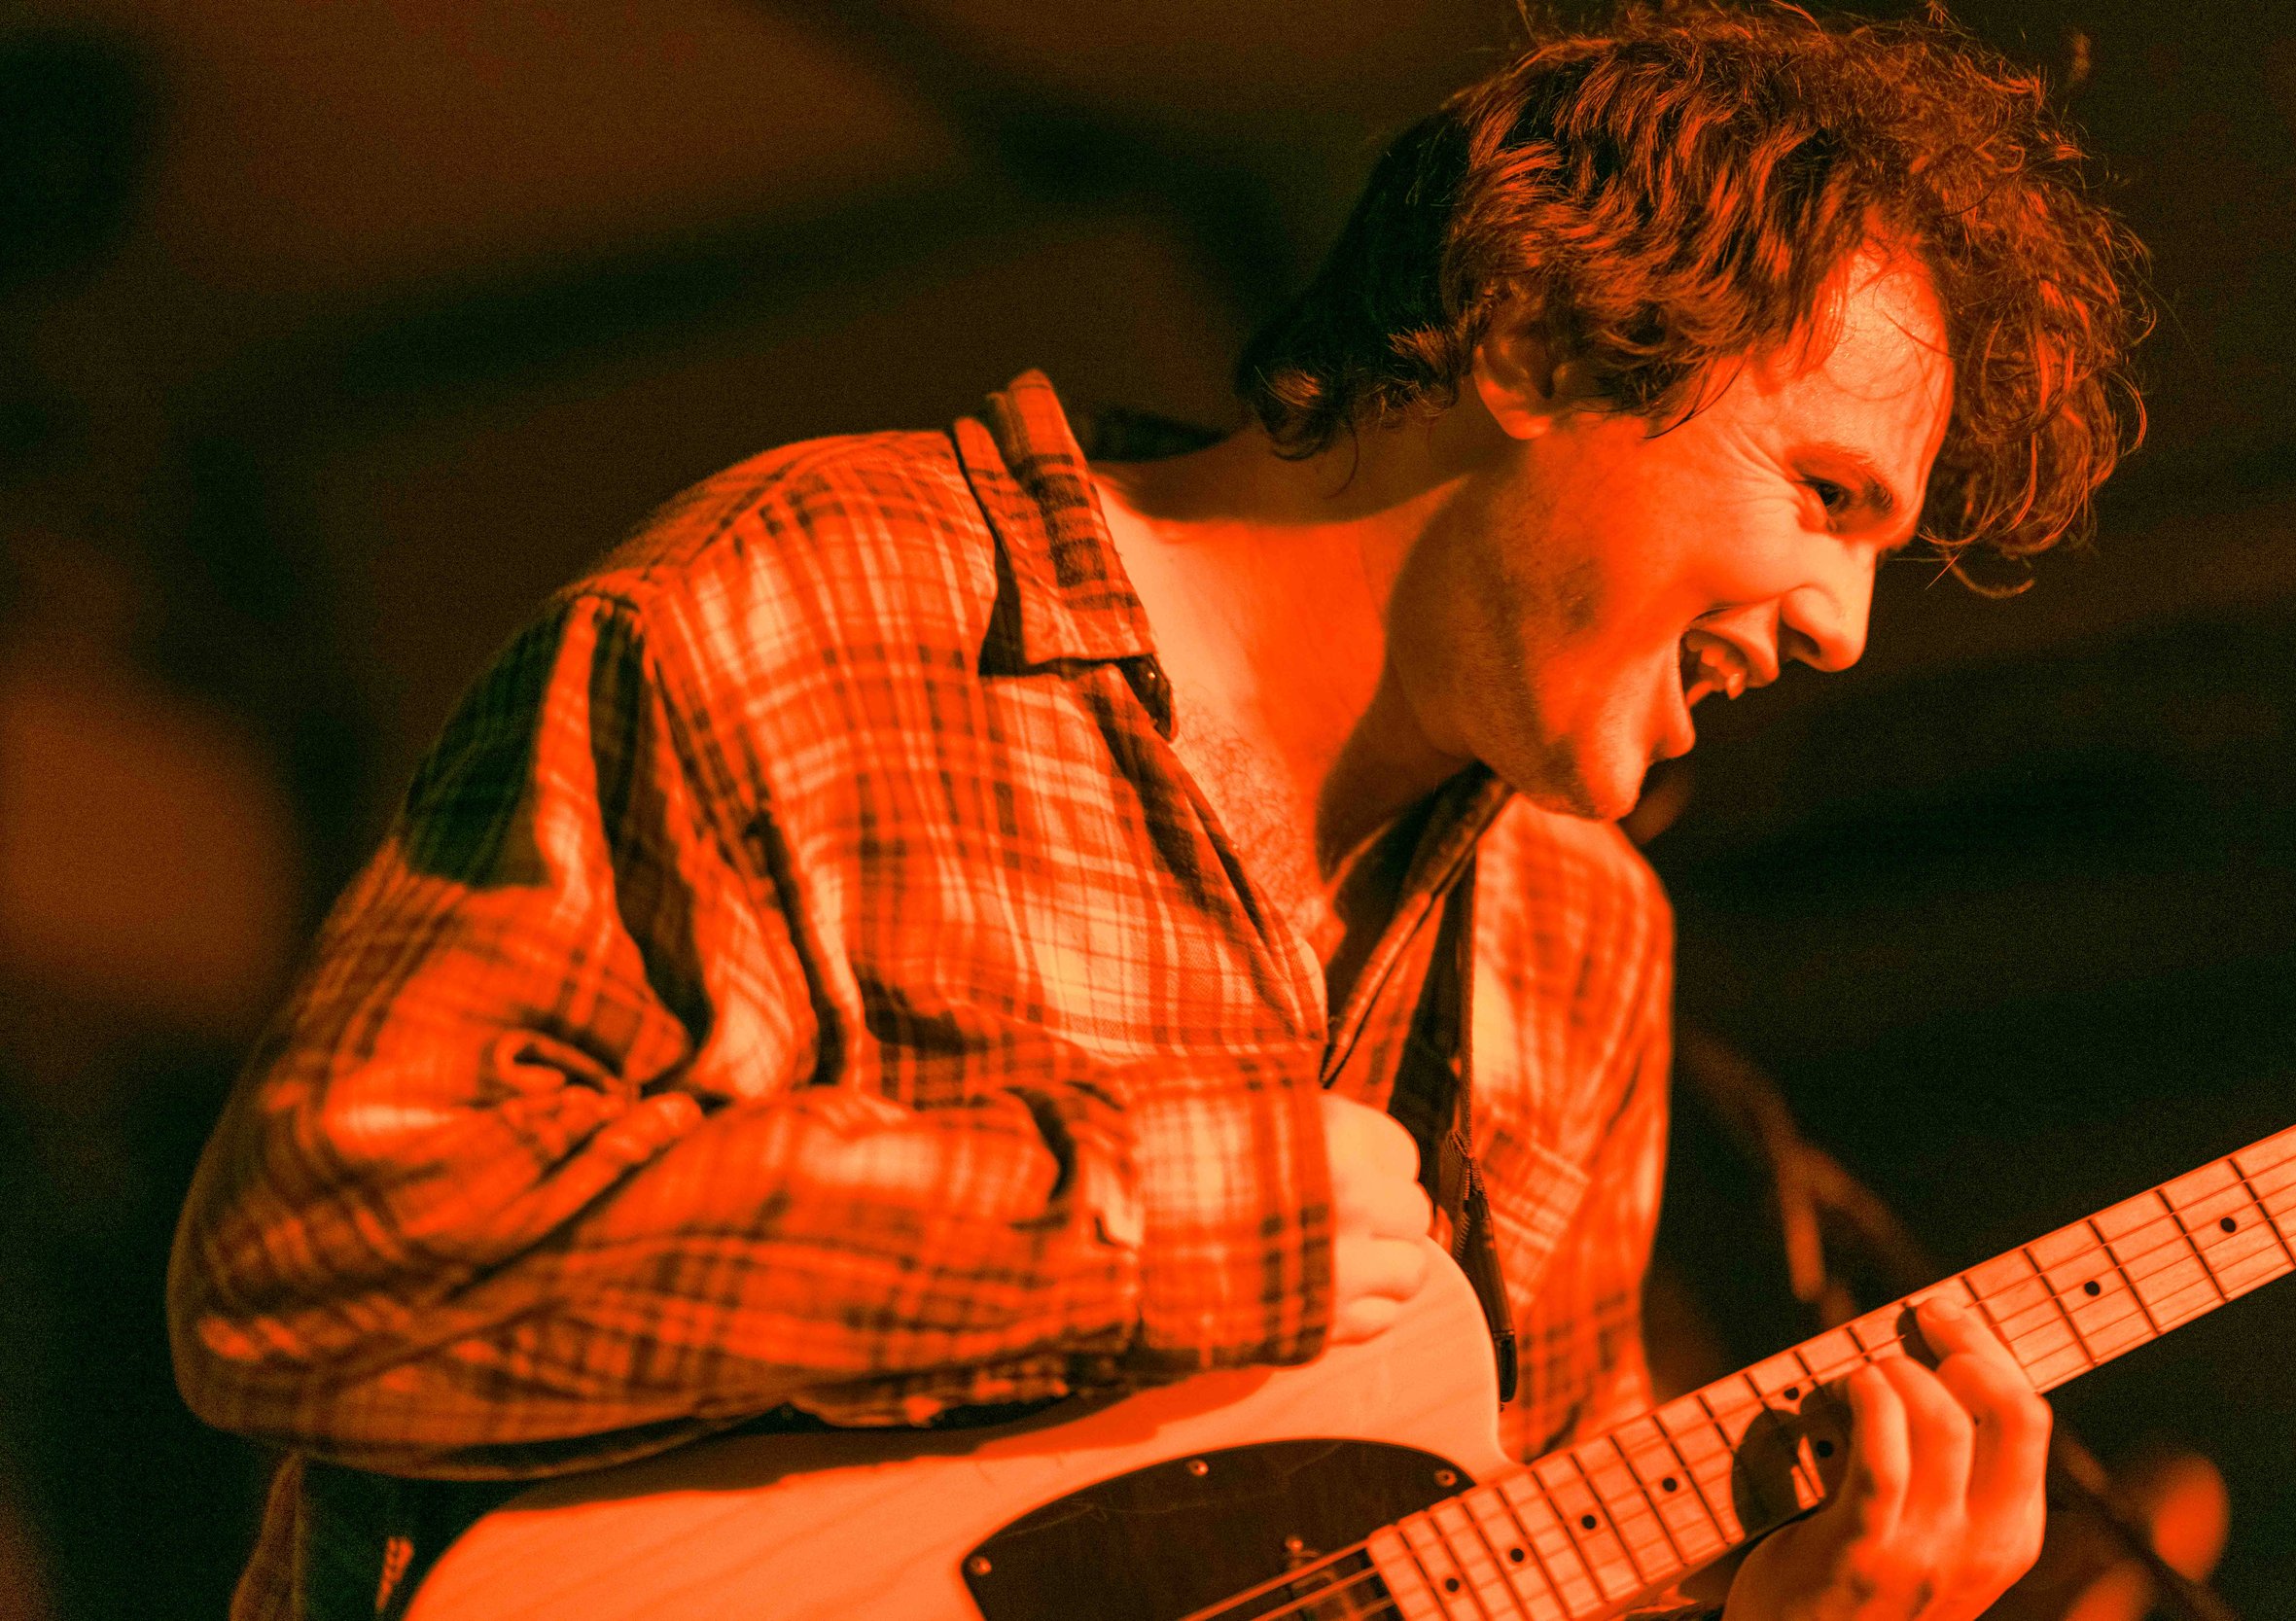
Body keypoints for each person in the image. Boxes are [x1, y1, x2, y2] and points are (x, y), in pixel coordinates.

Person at [168, 7, 2143, 1618]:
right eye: (1824, 495)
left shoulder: (1584, 932)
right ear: (1534, 334)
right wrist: (1153, 1231)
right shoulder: (828, 606)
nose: (1842, 627)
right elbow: (310, 1269)